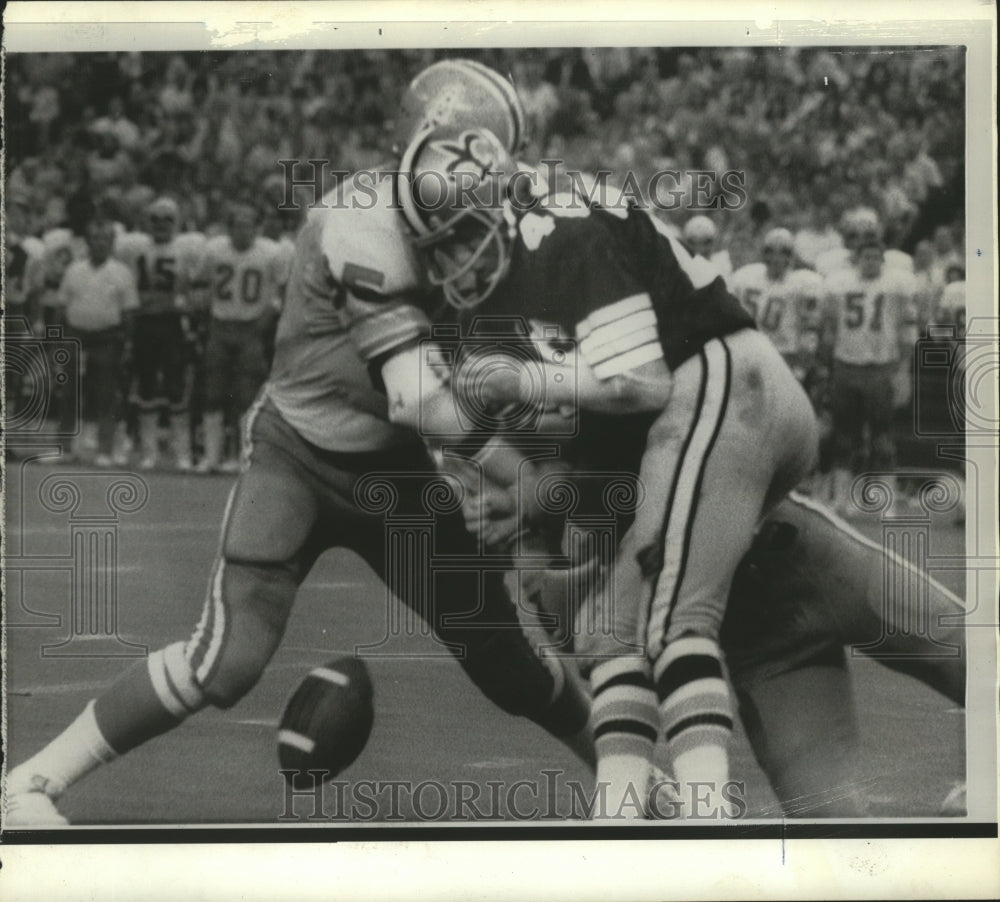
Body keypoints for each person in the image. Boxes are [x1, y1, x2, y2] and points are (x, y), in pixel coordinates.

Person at [4, 60, 592, 829]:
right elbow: (418, 396)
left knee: (508, 664)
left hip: (397, 469)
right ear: (417, 149)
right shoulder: (357, 222)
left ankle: (631, 779)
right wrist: (525, 480)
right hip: (303, 454)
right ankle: (32, 782)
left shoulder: (490, 218)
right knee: (227, 660)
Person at [362, 125, 819, 817]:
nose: (453, 261)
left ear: (501, 204)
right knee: (609, 633)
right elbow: (583, 427)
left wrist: (524, 384)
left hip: (723, 387)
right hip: (663, 433)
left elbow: (639, 382)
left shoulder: (565, 231)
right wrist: (525, 493)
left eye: (462, 235)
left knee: (674, 621)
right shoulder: (492, 295)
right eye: (436, 248)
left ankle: (708, 812)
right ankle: (619, 811)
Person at [821, 239, 918, 516]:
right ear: (857, 259)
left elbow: (908, 331)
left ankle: (885, 500)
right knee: (844, 435)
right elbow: (829, 327)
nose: (871, 262)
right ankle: (841, 498)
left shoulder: (896, 287)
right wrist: (828, 365)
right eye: (866, 257)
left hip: (880, 366)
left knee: (883, 435)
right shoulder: (840, 285)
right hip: (846, 364)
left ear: (883, 261)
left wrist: (902, 370)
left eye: (876, 257)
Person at [191, 202, 287, 473]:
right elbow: (198, 283)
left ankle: (240, 456)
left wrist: (263, 323)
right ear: (229, 227)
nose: (242, 231)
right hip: (220, 325)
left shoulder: (271, 252)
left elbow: (282, 293)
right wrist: (204, 317)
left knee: (245, 395)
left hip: (251, 328)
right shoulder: (214, 249)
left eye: (248, 226)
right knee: (213, 392)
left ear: (256, 229)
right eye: (237, 225)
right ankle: (211, 456)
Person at [114, 196, 205, 471]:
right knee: (146, 386)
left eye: (167, 219)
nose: (161, 224)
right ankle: (149, 452)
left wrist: (184, 307)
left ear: (177, 221)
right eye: (155, 218)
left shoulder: (187, 248)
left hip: (173, 323)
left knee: (177, 386)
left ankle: (182, 453)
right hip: (144, 322)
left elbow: (195, 289)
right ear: (146, 221)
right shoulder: (133, 247)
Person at [54, 218, 139, 466]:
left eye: (104, 239)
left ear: (111, 243)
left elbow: (129, 312)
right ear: (87, 243)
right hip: (75, 336)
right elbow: (61, 307)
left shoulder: (121, 273)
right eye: (94, 239)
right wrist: (58, 340)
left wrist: (129, 344)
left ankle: (104, 449)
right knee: (69, 392)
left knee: (106, 394)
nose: (99, 244)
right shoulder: (74, 270)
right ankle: (66, 447)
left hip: (107, 337)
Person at [729, 227, 824, 382]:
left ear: (791, 256)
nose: (776, 257)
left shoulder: (803, 283)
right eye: (770, 251)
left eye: (783, 252)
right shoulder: (744, 277)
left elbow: (809, 330)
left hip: (784, 353)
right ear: (763, 254)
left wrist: (801, 366)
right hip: (749, 352)